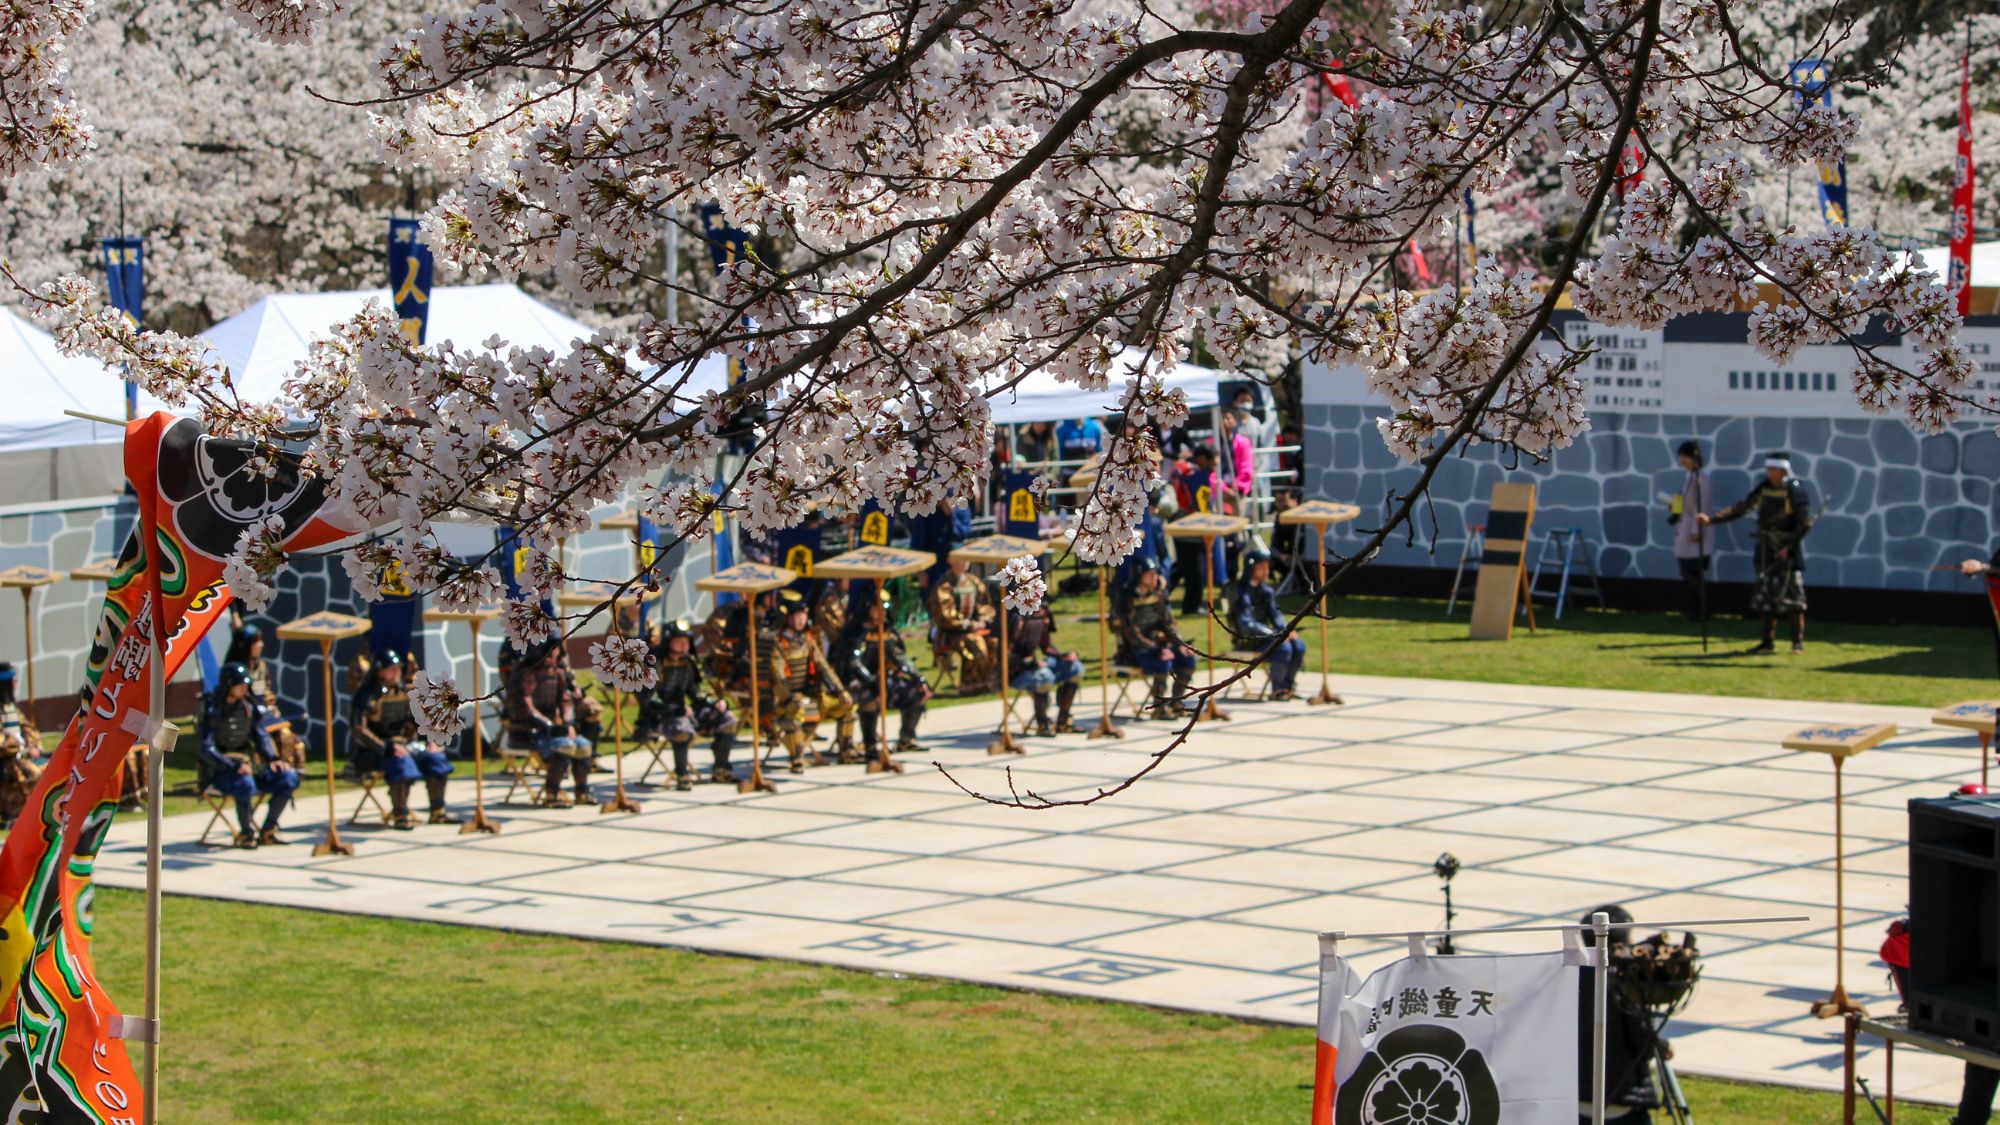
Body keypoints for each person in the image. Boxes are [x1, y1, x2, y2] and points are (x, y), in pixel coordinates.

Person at [1697, 451, 1813, 654]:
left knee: (1792, 595)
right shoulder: (1765, 488)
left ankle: (1797, 642)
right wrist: (1713, 519)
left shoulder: (1794, 490)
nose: (1769, 473)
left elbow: (1804, 522)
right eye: (1768, 469)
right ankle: (1767, 641)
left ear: (1781, 470)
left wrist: (1790, 547)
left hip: (1787, 548)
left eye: (1772, 469)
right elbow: (1743, 507)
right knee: (1765, 596)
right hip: (1766, 547)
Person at [351, 649, 458, 828]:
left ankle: (438, 811)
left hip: (404, 745)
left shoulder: (403, 692)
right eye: (392, 669)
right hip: (374, 752)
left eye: (399, 669)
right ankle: (401, 814)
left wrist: (430, 739)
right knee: (401, 761)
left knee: (435, 758)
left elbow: (416, 719)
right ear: (380, 671)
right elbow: (358, 729)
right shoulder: (365, 697)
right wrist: (386, 747)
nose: (398, 673)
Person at [200, 662, 302, 847]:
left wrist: (272, 759)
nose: (244, 688)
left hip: (249, 766)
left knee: (289, 777)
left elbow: (261, 735)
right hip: (221, 771)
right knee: (246, 784)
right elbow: (207, 749)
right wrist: (233, 766)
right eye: (240, 684)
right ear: (229, 684)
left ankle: (269, 829)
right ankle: (246, 833)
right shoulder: (212, 709)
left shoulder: (248, 707)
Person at [1576, 905, 1659, 1124]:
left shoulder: (1568, 981)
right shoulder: (1625, 984)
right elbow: (1643, 1043)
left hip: (1573, 1096)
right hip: (1621, 1101)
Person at [834, 590, 932, 759]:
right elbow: (853, 663)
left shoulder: (886, 629)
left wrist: (919, 678)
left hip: (883, 680)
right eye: (877, 609)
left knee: (916, 692)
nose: (882, 613)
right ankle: (870, 746)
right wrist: (874, 684)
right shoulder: (854, 631)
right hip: (857, 683)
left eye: (884, 610)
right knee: (869, 701)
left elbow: (898, 657)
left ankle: (906, 738)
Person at [645, 619, 738, 790]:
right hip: (658, 717)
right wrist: (676, 710)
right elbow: (649, 700)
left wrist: (715, 703)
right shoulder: (654, 663)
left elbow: (695, 693)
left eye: (686, 641)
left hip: (684, 713)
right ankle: (682, 774)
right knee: (682, 727)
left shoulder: (688, 663)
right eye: (679, 640)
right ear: (668, 641)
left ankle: (721, 768)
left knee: (728, 720)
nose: (684, 644)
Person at [771, 595, 849, 771]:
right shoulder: (779, 643)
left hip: (812, 693)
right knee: (797, 713)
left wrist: (841, 690)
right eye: (796, 616)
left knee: (848, 706)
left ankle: (847, 749)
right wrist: (789, 698)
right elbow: (778, 675)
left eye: (803, 615)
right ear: (787, 619)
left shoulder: (808, 640)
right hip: (788, 699)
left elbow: (824, 667)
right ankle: (797, 756)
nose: (800, 619)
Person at [1115, 558, 1198, 718]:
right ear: (1139, 575)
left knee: (1187, 658)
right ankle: (1159, 708)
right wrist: (1156, 649)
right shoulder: (1127, 598)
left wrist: (1179, 643)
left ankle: (1176, 702)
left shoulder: (1157, 594)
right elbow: (1131, 633)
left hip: (1158, 646)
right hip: (1135, 651)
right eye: (1150, 574)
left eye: (1155, 574)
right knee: (1164, 661)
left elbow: (1167, 622)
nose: (1155, 577)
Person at [223, 621, 307, 767]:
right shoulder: (234, 671)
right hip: (244, 719)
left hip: (265, 716)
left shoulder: (261, 667)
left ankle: (287, 773)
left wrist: (271, 709)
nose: (261, 645)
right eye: (256, 641)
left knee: (291, 739)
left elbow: (267, 692)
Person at [1232, 550, 1306, 700]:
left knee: (1298, 645)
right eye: (1262, 567)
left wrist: (1286, 631)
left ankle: (1287, 686)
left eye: (1267, 567)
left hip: (1267, 638)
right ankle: (1278, 689)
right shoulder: (1239, 591)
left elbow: (1276, 615)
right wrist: (1274, 635)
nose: (1266, 571)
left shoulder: (1266, 591)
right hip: (1249, 640)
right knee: (1283, 647)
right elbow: (1245, 623)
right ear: (1251, 567)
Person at [1007, 601, 1085, 735]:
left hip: (1035, 667)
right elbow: (1006, 655)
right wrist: (1031, 664)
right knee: (1045, 676)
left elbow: (1046, 647)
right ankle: (1043, 723)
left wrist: (1063, 656)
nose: (1047, 622)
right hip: (1015, 673)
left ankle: (1063, 721)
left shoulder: (1041, 620)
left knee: (1075, 668)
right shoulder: (1017, 621)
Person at [929, 556, 996, 692]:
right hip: (951, 632)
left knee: (994, 642)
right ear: (950, 560)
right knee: (975, 643)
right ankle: (971, 685)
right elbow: (945, 614)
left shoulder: (973, 581)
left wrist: (982, 620)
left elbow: (984, 604)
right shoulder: (944, 585)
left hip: (974, 629)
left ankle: (990, 681)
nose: (965, 562)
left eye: (967, 559)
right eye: (960, 559)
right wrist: (967, 624)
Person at [1668, 440, 1713, 622]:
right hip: (1686, 526)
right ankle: (1695, 607)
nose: (1681, 460)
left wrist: (1697, 529)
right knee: (1687, 570)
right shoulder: (1690, 477)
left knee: (1694, 571)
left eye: (1683, 457)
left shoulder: (1701, 478)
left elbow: (1703, 504)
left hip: (1695, 528)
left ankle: (1702, 608)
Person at [0, 664, 41, 827]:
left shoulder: (12, 708)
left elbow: (28, 727)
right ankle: (14, 813)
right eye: (14, 680)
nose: (16, 684)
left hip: (19, 755)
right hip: (5, 759)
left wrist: (32, 744)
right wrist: (15, 746)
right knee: (32, 773)